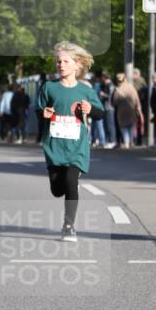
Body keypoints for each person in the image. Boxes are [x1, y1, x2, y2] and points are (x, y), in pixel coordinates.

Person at [37, 41, 105, 242]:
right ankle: (59, 184)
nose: (61, 65)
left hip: (77, 147)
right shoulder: (49, 87)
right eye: (58, 62)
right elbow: (38, 111)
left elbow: (101, 113)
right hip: (54, 146)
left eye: (66, 61)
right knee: (58, 190)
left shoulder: (85, 91)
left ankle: (69, 226)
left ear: (77, 65)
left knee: (70, 181)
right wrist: (44, 113)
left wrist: (90, 110)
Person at [112, 73, 143, 150]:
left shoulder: (118, 89)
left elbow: (115, 101)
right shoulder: (131, 87)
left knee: (123, 127)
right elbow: (136, 99)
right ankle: (131, 142)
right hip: (131, 110)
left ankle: (126, 142)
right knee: (131, 126)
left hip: (121, 111)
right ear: (125, 79)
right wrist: (138, 108)